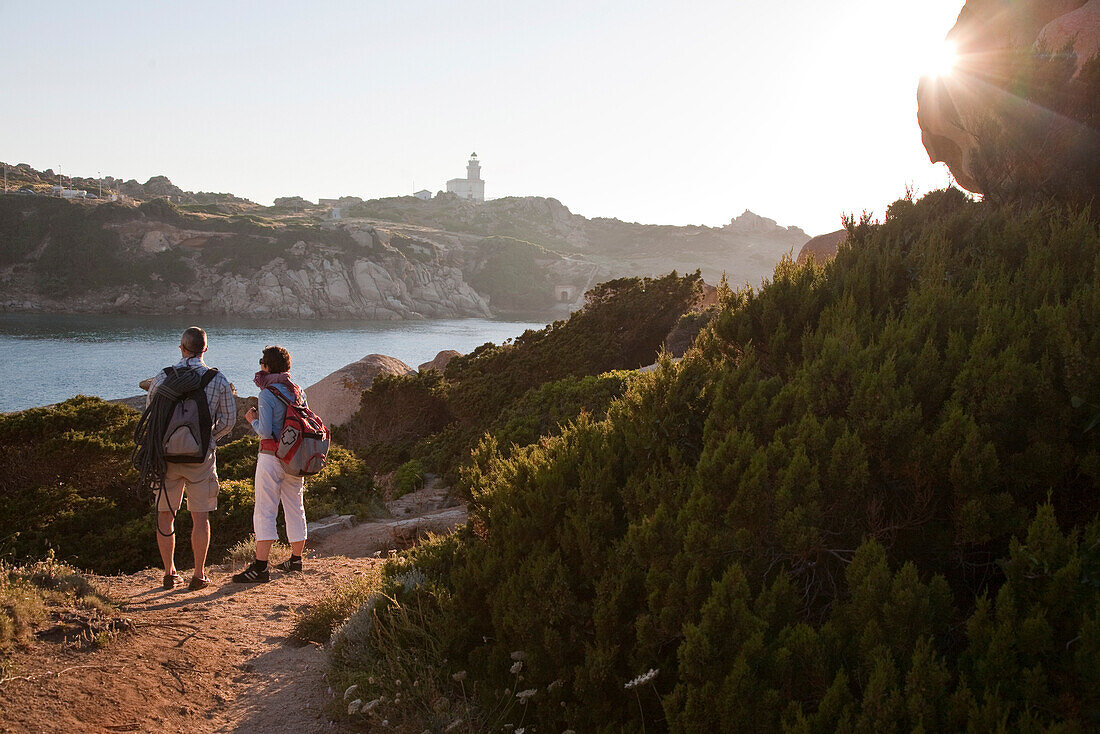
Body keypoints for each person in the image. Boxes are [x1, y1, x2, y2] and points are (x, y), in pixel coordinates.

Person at [146, 326, 236, 591]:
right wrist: (207, 439)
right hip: (201, 460)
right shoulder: (216, 379)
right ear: (205, 348)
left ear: (181, 348)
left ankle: (170, 573)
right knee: (200, 518)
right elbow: (229, 421)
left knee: (165, 515)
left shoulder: (163, 377)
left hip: (166, 459)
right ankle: (198, 575)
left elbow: (151, 415)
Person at [233, 345, 309, 583]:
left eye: (261, 363)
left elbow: (265, 432)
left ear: (266, 367)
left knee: (265, 509)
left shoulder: (267, 393)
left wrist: (252, 420)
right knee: (295, 506)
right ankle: (296, 560)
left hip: (271, 457)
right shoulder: (299, 391)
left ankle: (260, 567)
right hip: (295, 458)